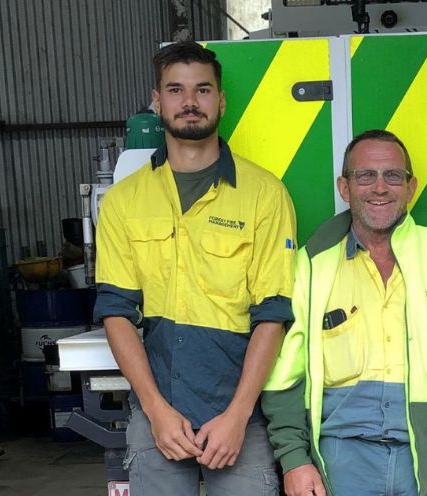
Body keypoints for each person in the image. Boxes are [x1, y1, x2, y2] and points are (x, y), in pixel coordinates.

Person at [93, 41, 296, 495]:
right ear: (156, 100)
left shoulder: (264, 194)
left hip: (241, 417)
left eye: (203, 90)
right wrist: (155, 410)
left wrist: (238, 415)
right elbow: (117, 311)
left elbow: (273, 312)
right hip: (157, 416)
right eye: (176, 90)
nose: (189, 102)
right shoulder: (125, 201)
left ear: (221, 101)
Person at [261, 129, 427, 496]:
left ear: (411, 186)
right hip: (339, 462)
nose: (380, 187)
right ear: (345, 187)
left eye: (392, 176)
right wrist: (294, 459)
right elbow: (283, 376)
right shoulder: (311, 265)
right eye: (365, 176)